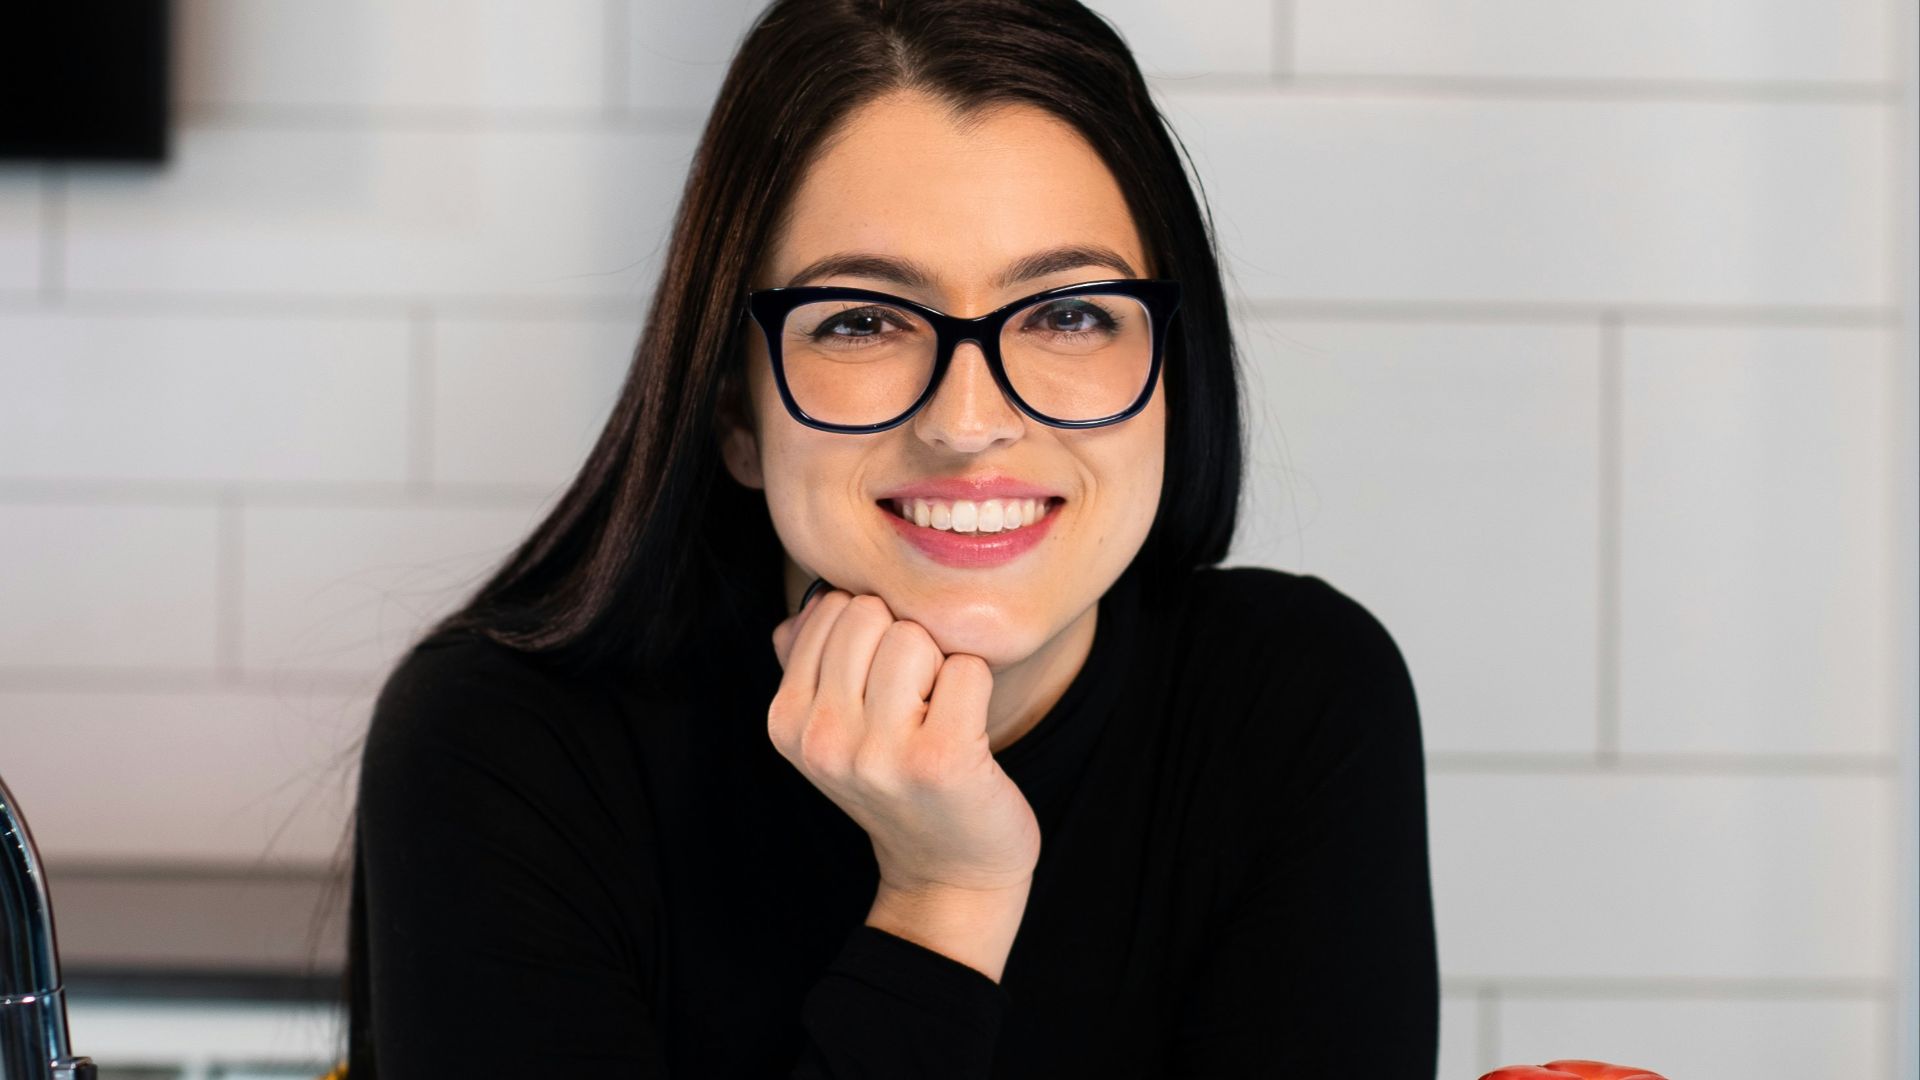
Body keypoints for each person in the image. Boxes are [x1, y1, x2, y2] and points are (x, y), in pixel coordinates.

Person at [339, 0, 1440, 1075]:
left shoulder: (1295, 704)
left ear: (1171, 374)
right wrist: (944, 903)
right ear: (734, 409)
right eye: (862, 321)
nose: (968, 421)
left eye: (1068, 313)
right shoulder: (505, 745)